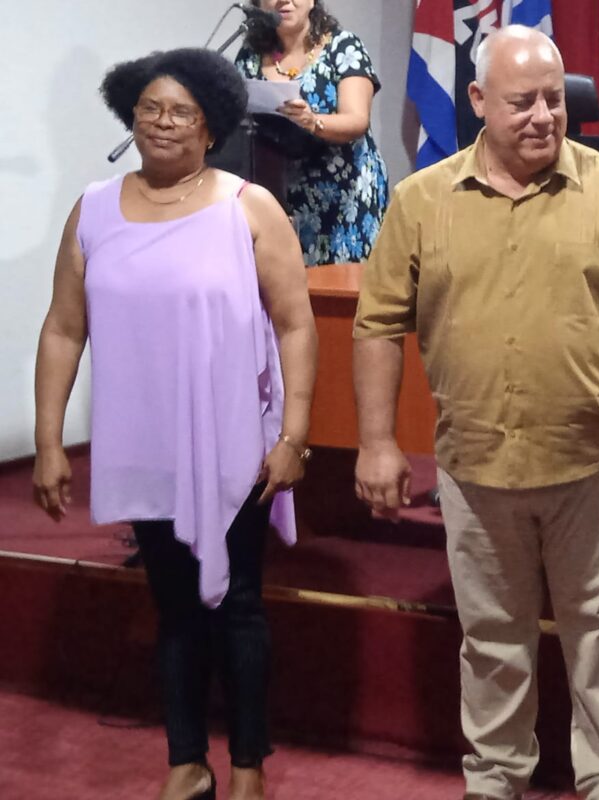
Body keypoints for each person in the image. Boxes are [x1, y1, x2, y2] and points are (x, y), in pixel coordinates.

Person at [351, 25, 599, 800]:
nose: (544, 115)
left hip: (596, 467)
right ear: (476, 101)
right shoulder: (420, 201)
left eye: (554, 98)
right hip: (476, 466)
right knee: (493, 641)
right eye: (522, 102)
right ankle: (496, 778)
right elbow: (376, 325)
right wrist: (375, 440)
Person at [31, 49, 316, 800]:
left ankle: (249, 769)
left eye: (180, 111)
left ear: (211, 124)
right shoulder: (93, 207)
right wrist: (50, 440)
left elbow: (295, 324)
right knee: (175, 607)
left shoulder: (246, 205)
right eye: (150, 108)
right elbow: (64, 328)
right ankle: (186, 764)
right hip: (143, 443)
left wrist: (293, 435)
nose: (162, 122)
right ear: (131, 113)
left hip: (234, 442)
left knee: (241, 606)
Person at [235, 0, 388, 265]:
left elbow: (357, 120)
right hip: (280, 196)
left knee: (339, 295)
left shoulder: (343, 46)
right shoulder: (250, 55)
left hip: (345, 196)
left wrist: (312, 120)